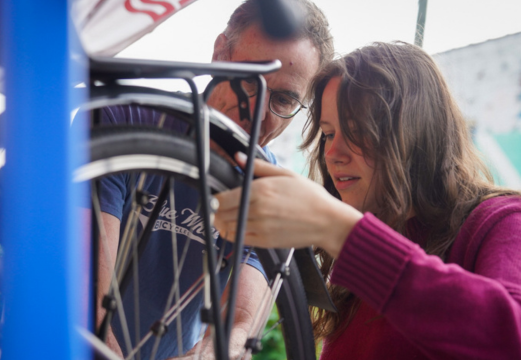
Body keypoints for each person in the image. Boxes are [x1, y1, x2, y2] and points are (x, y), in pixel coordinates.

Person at [214, 42, 521, 359]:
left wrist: (337, 229)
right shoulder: (361, 256)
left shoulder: (502, 220)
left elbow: (511, 338)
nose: (333, 155)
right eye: (329, 134)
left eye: (357, 130)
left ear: (415, 129)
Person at [95, 1, 334, 359]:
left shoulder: (271, 194)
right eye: (249, 79)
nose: (255, 113)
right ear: (220, 52)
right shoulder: (120, 120)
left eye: (283, 99)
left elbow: (238, 328)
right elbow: (82, 299)